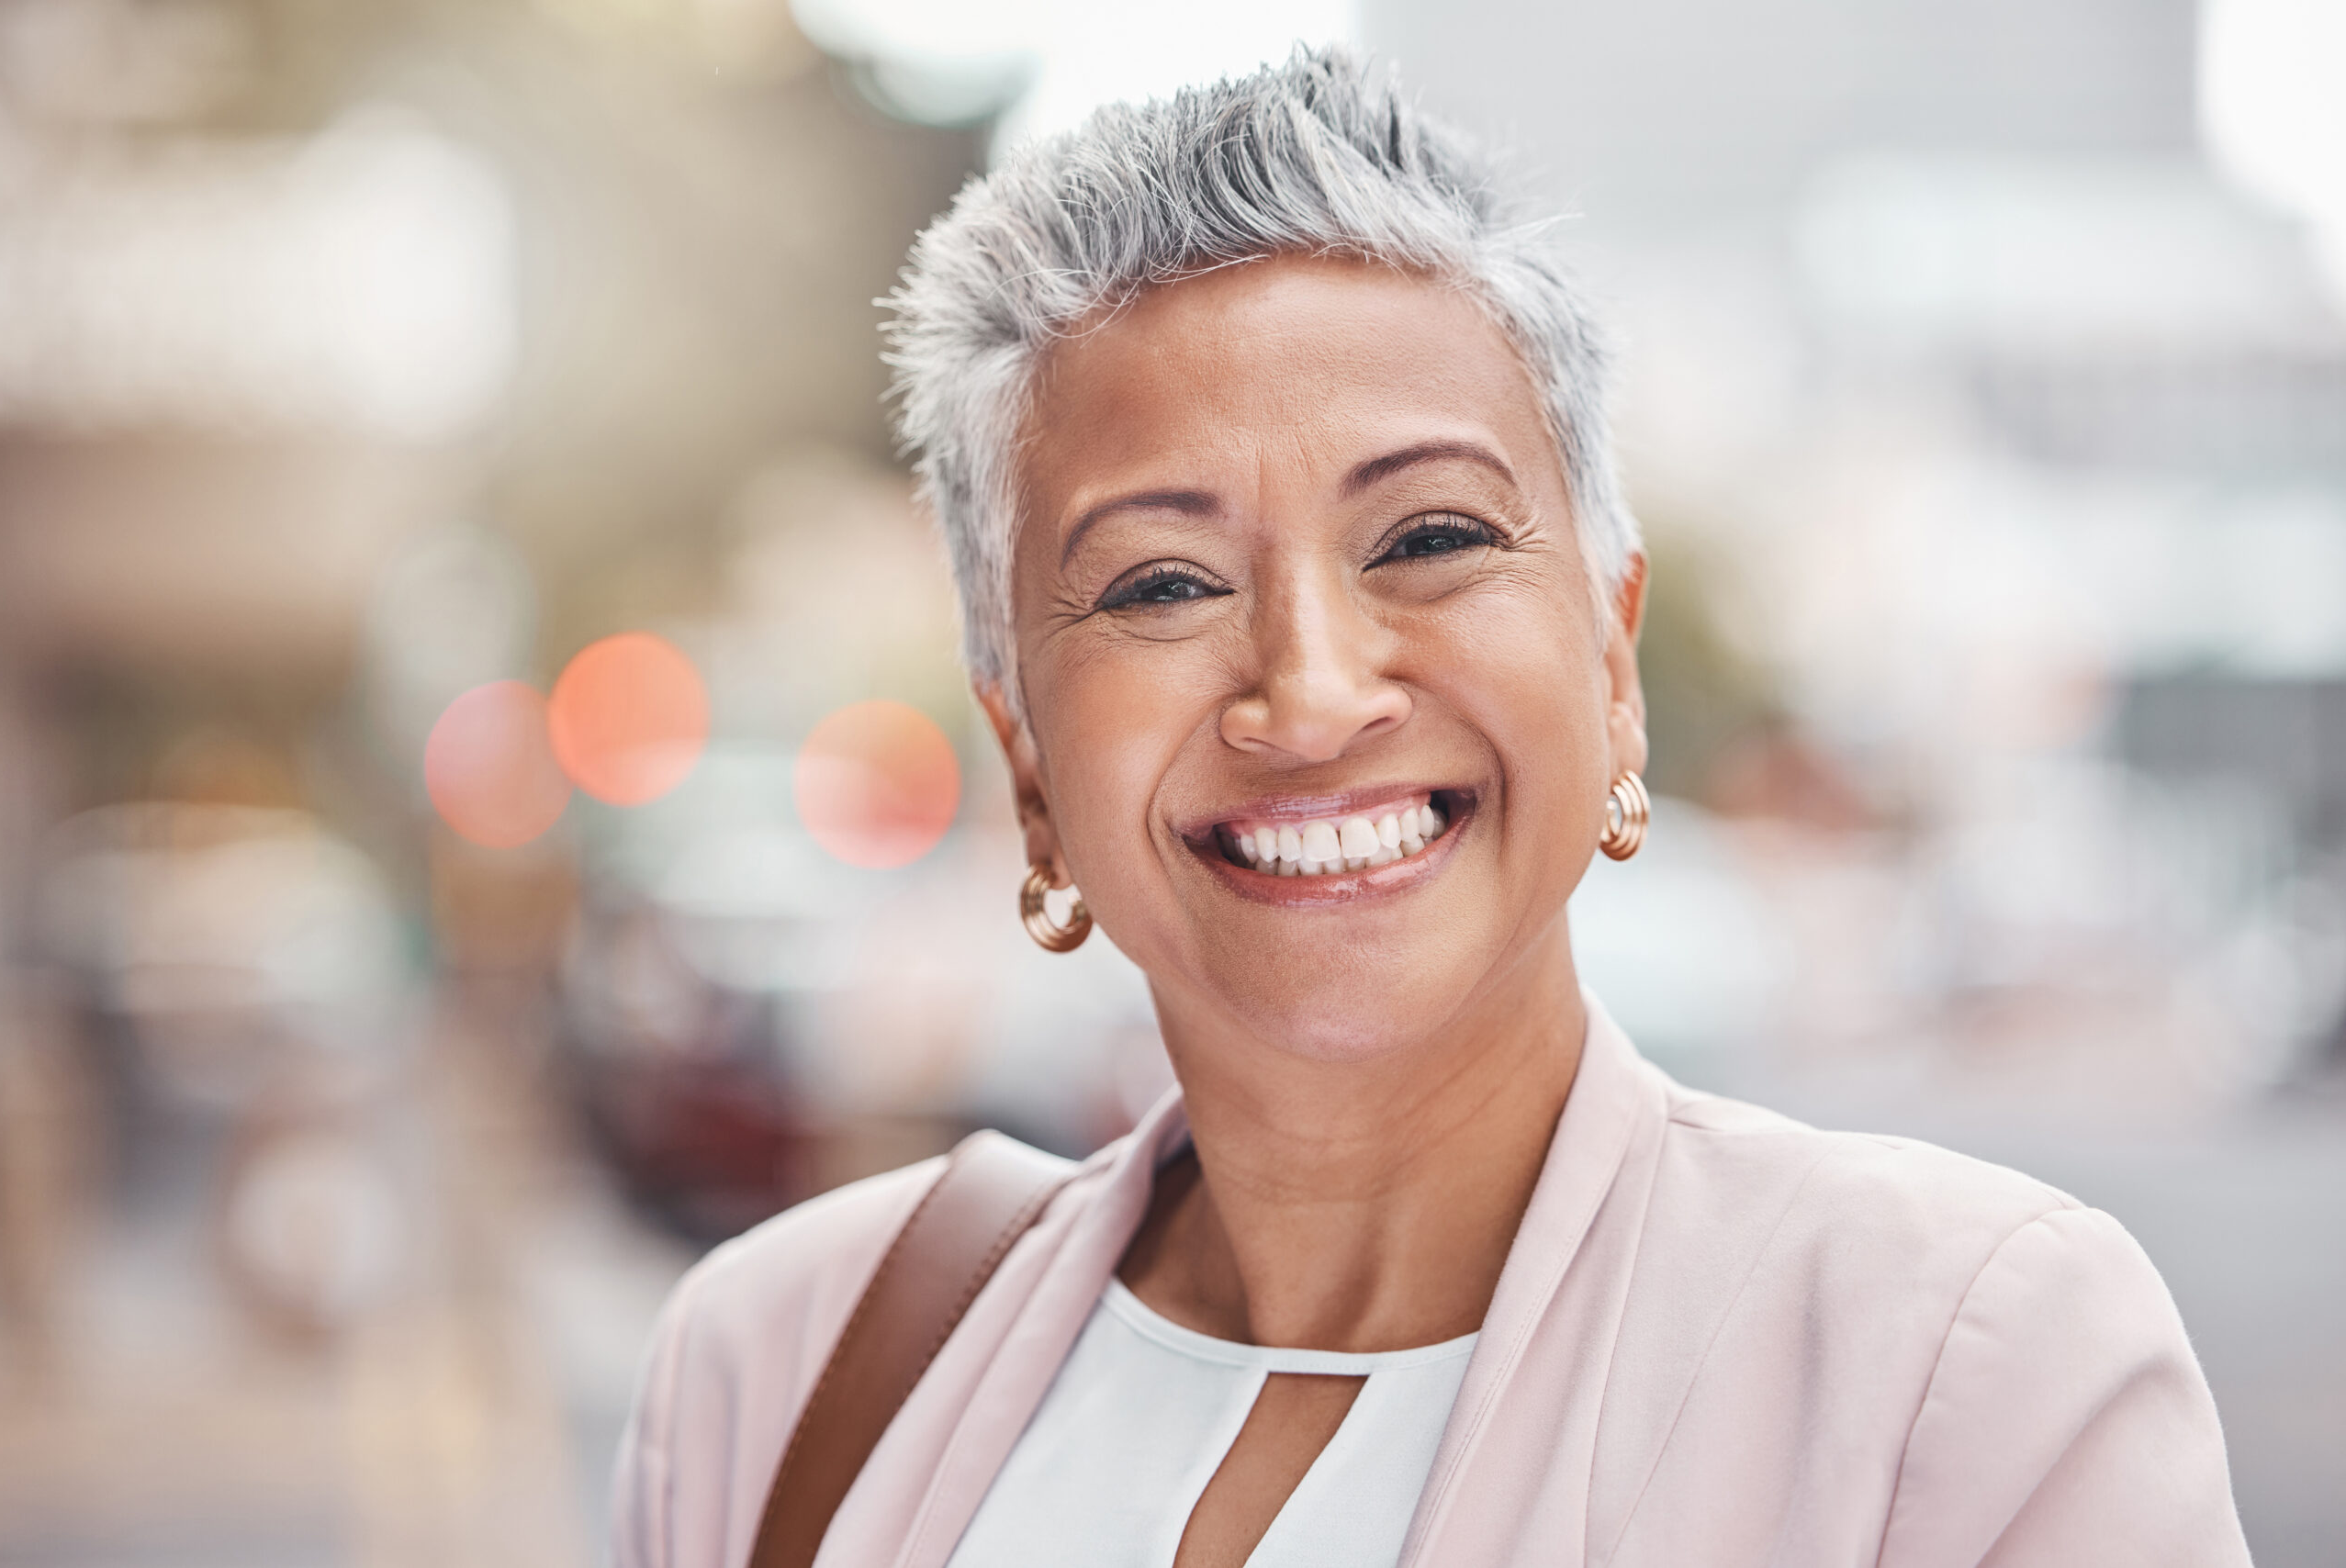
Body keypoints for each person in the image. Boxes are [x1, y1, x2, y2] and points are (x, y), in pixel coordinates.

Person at [612, 47, 2249, 1568]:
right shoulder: (777, 1370)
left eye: (1430, 538)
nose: (1311, 694)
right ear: (1029, 765)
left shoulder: (1962, 1372)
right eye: (1163, 582)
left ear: (1611, 661)